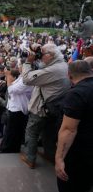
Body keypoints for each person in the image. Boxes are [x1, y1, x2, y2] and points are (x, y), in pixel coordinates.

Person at [20, 44, 71, 169]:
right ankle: (50, 155)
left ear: (51, 55)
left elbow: (27, 79)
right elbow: (41, 70)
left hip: (41, 109)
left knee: (32, 132)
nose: (40, 56)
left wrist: (27, 63)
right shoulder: (62, 65)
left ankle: (30, 158)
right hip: (53, 108)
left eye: (42, 54)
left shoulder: (54, 69)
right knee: (48, 133)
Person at [55, 60, 93, 192]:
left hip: (78, 155)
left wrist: (59, 159)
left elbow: (69, 130)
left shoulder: (76, 94)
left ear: (69, 75)